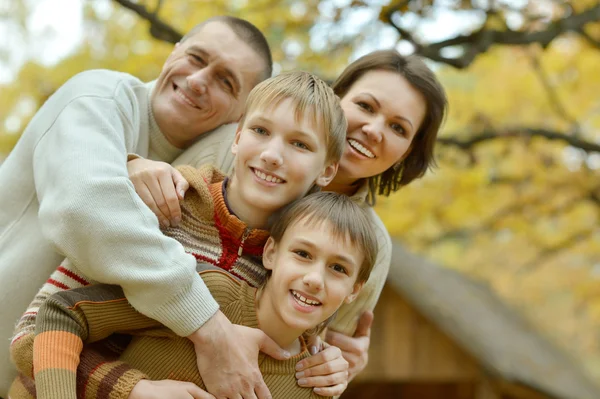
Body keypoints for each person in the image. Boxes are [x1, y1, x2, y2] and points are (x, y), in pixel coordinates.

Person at [9, 71, 350, 398]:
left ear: (328, 170)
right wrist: (134, 390)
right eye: (261, 130)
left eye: (300, 144)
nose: (272, 155)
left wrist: (325, 363)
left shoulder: (298, 270)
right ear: (237, 137)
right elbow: (32, 335)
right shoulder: (163, 205)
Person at [0, 15, 280, 398]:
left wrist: (322, 346)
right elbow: (83, 209)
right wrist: (211, 329)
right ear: (175, 50)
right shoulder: (99, 94)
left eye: (225, 81)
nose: (199, 80)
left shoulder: (215, 184)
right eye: (197, 58)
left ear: (240, 116)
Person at [133, 50, 449, 384]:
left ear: (408, 152)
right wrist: (132, 165)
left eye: (398, 128)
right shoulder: (239, 145)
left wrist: (336, 367)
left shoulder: (374, 243)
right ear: (336, 99)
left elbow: (314, 353)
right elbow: (154, 198)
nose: (373, 129)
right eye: (366, 106)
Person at [19, 192, 377, 399]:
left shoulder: (315, 386)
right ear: (270, 254)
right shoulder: (207, 295)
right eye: (302, 254)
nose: (315, 279)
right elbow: (62, 311)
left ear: (353, 291)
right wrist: (130, 388)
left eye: (338, 269)